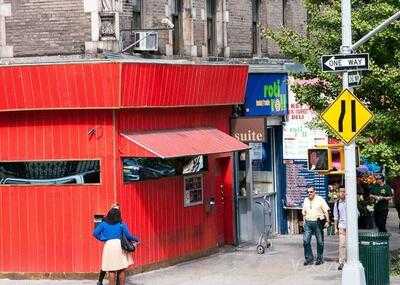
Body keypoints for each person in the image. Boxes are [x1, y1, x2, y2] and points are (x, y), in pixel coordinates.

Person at [93, 207, 139, 285]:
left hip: (109, 246)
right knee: (121, 269)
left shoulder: (103, 224)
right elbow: (128, 236)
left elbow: (95, 233)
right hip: (119, 246)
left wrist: (102, 238)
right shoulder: (121, 224)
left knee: (111, 270)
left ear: (109, 214)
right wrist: (137, 239)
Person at [302, 186, 330, 266]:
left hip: (318, 222)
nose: (309, 193)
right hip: (308, 222)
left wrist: (327, 221)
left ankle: (319, 258)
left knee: (320, 242)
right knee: (305, 241)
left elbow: (326, 211)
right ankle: (309, 258)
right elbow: (304, 212)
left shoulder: (320, 199)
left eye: (311, 192)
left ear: (314, 192)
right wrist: (304, 222)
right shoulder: (306, 200)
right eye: (308, 192)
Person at [97, 203, 121, 285]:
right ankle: (100, 280)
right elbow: (99, 230)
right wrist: (103, 238)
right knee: (106, 264)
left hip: (116, 244)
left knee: (116, 264)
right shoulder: (105, 219)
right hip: (110, 244)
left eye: (118, 208)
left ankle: (117, 282)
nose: (117, 210)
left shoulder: (119, 219)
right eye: (115, 208)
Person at [333, 188, 346, 271]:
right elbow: (336, 217)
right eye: (340, 191)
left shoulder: (351, 202)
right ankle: (342, 262)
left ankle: (350, 260)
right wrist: (335, 228)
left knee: (350, 245)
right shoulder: (337, 203)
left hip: (350, 228)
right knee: (342, 245)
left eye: (344, 191)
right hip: (341, 226)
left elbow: (357, 213)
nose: (342, 193)